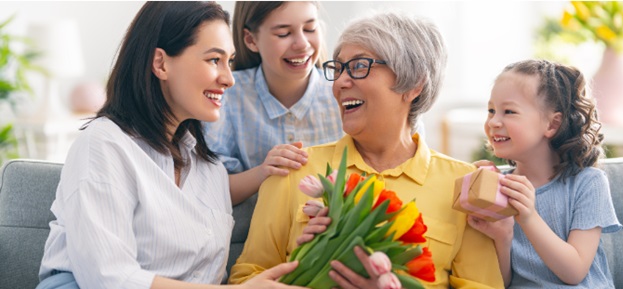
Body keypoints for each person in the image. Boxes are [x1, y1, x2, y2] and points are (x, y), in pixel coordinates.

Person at [36, 2, 306, 289]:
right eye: (214, 60)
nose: (228, 79)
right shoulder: (104, 145)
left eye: (230, 62)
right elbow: (108, 278)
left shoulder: (208, 168)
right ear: (161, 63)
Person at [229, 12, 504, 289]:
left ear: (413, 84)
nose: (339, 83)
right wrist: (309, 263)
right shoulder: (293, 169)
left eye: (359, 66)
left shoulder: (463, 184)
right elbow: (247, 278)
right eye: (338, 68)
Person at [468, 59, 622, 288]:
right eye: (491, 110)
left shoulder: (588, 183)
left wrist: (528, 217)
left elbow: (575, 271)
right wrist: (502, 237)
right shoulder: (499, 186)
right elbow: (503, 282)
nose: (493, 122)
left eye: (509, 111)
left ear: (552, 124)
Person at [204, 1, 343, 208]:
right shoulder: (226, 95)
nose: (302, 44)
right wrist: (263, 172)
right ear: (251, 40)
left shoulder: (341, 92)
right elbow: (208, 190)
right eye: (284, 34)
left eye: (310, 29)